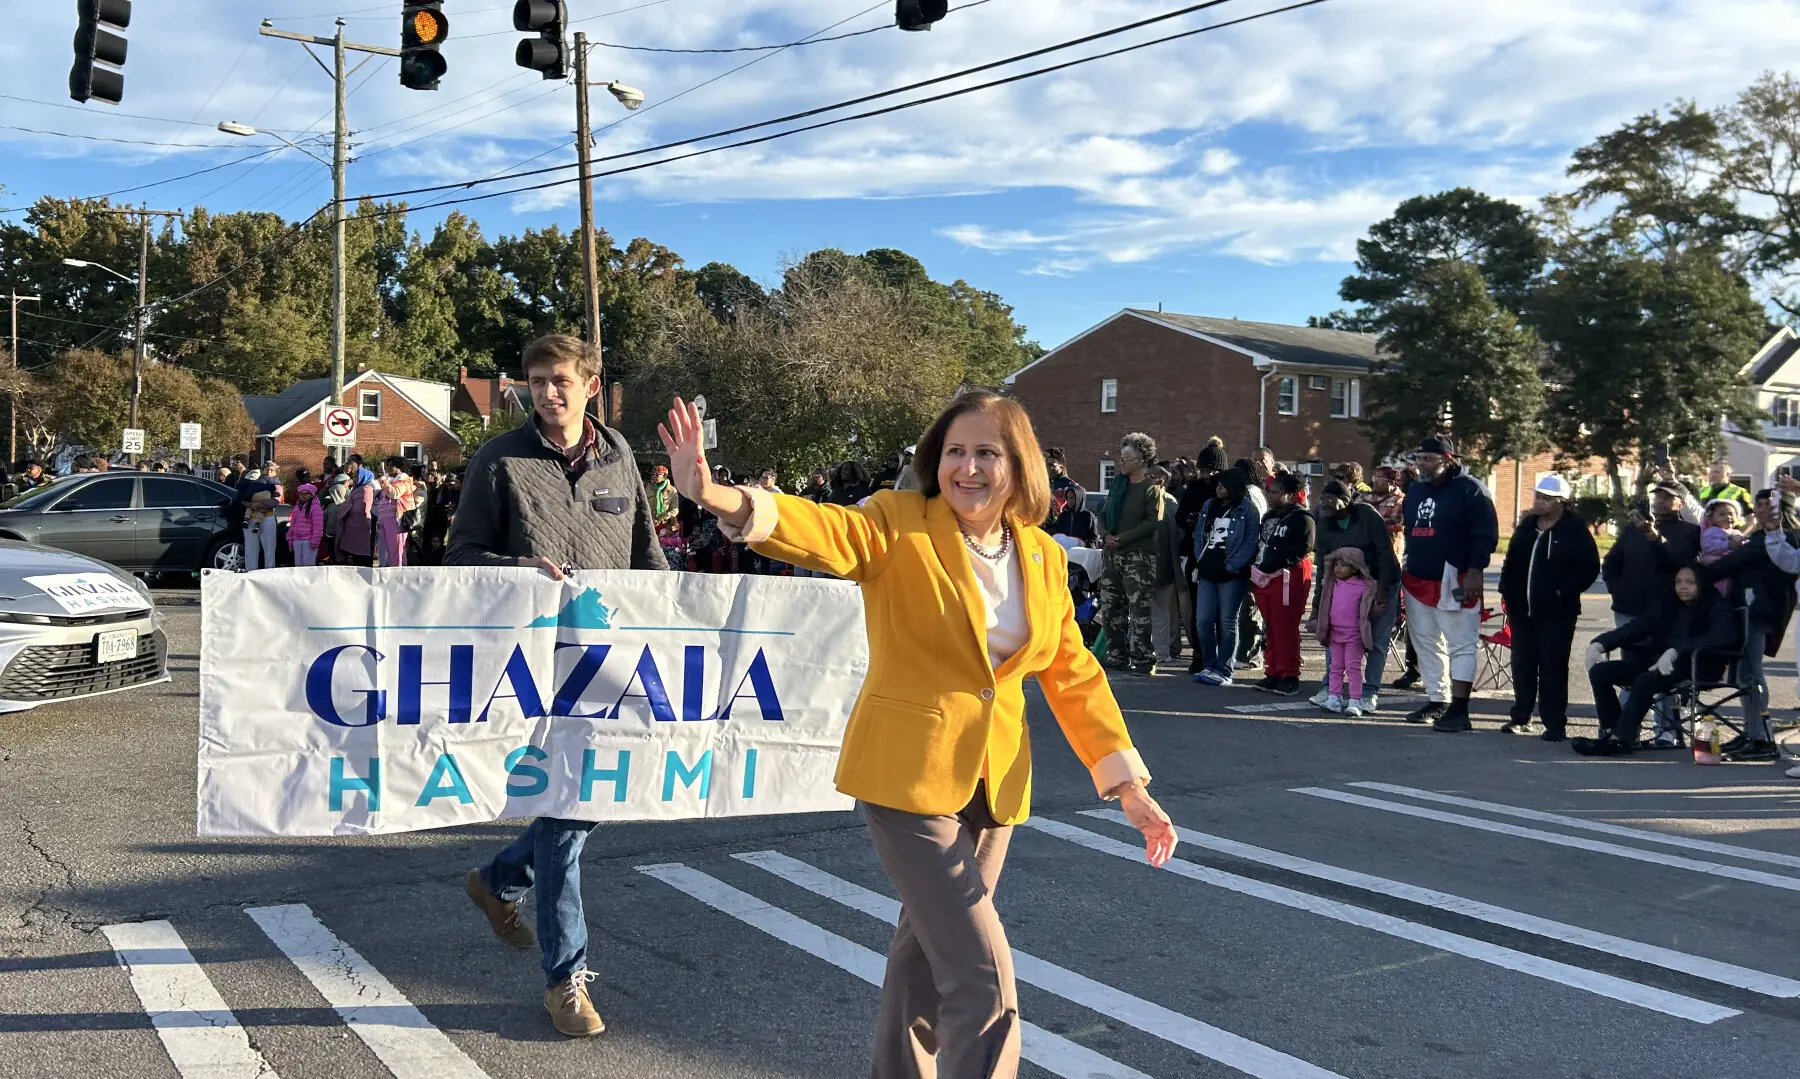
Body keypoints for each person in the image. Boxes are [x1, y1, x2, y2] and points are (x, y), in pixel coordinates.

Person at [658, 389, 1176, 1078]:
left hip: (993, 786)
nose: (968, 467)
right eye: (955, 451)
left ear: (1017, 465)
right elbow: (822, 530)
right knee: (981, 978)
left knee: (926, 967)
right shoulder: (897, 522)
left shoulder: (1042, 557)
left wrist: (1129, 783)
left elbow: (1072, 670)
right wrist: (719, 495)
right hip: (907, 775)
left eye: (986, 452)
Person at [450, 334, 668, 1039]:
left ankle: (499, 879)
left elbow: (647, 554)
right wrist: (519, 565)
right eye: (536, 380)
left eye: (561, 380)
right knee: (568, 816)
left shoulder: (620, 458)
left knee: (590, 796)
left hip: (608, 665)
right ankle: (564, 978)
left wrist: (673, 622)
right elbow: (459, 555)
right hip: (529, 669)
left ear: (592, 385)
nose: (547, 392)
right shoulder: (500, 458)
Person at [1577, 565, 1737, 756]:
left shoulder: (1717, 605)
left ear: (1701, 584)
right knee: (1600, 672)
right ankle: (1612, 732)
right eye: (1678, 582)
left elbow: (1721, 637)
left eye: (1689, 582)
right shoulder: (1668, 603)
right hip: (1658, 661)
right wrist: (1601, 643)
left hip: (1697, 665)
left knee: (1645, 680)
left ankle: (1621, 739)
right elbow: (1638, 626)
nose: (1682, 587)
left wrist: (1677, 650)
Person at [1400, 435, 1499, 731]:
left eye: (1428, 459)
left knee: (1461, 645)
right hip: (1418, 578)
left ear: (1448, 459)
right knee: (1425, 642)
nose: (1422, 464)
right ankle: (1438, 699)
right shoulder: (1416, 489)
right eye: (1419, 459)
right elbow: (1410, 527)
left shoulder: (1472, 491)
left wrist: (1475, 571)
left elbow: (1485, 534)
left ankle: (1460, 708)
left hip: (1454, 579)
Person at [1497, 475, 1600, 741]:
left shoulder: (1574, 529)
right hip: (1522, 609)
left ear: (1561, 502)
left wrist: (1561, 590)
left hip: (1557, 613)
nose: (1539, 502)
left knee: (1553, 666)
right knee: (1522, 663)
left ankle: (1554, 722)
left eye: (1545, 498)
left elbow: (1589, 568)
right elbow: (1512, 560)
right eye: (1537, 497)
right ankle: (1521, 716)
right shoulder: (1527, 526)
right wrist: (1507, 590)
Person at [1699, 489, 1798, 762]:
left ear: (1784, 508)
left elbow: (1737, 560)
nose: (1763, 509)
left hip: (1760, 613)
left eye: (1770, 505)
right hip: (1746, 611)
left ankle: (1762, 738)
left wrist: (1699, 572)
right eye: (1759, 504)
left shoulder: (1783, 537)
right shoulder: (1757, 536)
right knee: (1744, 674)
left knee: (1752, 674)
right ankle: (1751, 732)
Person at [1307, 479, 1400, 712]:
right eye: (1321, 500)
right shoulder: (1326, 525)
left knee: (1376, 640)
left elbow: (1385, 554)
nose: (1324, 505)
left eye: (1329, 500)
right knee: (1334, 637)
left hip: (1379, 581)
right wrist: (1318, 609)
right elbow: (1323, 571)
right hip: (1344, 588)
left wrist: (1383, 589)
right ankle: (1330, 689)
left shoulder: (1367, 517)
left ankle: (1369, 694)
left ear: (1346, 501)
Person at [1097, 432, 1165, 674]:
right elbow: (1103, 514)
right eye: (1121, 457)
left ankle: (1144, 658)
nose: (1121, 462)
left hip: (1138, 556)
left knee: (1139, 610)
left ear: (1141, 460)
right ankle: (1117, 655)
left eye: (1127, 458)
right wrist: (1105, 535)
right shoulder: (1118, 485)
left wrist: (1123, 538)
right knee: (1111, 606)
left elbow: (1152, 522)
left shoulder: (1151, 488)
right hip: (1111, 554)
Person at [1190, 468, 1259, 685]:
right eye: (1218, 485)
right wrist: (1200, 560)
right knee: (1203, 620)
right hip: (1207, 570)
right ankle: (1209, 664)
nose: (1219, 488)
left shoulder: (1247, 509)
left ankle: (1224, 670)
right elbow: (1199, 534)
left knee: (1228, 620)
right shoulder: (1209, 505)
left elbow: (1250, 541)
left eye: (1224, 485)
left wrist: (1232, 566)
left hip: (1232, 573)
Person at [1249, 472, 1314, 695]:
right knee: (1272, 627)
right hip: (1264, 577)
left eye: (1276, 492)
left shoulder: (1301, 517)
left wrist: (1279, 564)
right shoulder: (1268, 517)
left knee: (1285, 627)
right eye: (1270, 491)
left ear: (1289, 494)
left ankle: (1289, 675)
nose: (1271, 496)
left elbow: (1304, 547)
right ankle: (1273, 671)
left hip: (1288, 576)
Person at [1315, 547, 1376, 716]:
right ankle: (1334, 698)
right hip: (1335, 633)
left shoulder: (1364, 586)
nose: (1338, 568)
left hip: (1354, 635)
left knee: (1353, 668)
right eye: (1336, 564)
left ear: (1356, 567)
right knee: (1335, 667)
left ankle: (1355, 700)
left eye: (1343, 565)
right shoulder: (1332, 584)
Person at [1148, 466, 1186, 662]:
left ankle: (1160, 651)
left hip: (1155, 562)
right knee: (1166, 610)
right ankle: (1166, 649)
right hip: (1169, 563)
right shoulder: (1173, 504)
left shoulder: (1158, 503)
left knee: (1156, 610)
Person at [234, 468, 282, 571]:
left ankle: (269, 572)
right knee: (252, 549)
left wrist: (258, 504)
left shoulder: (268, 487)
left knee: (268, 549)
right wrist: (252, 504)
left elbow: (275, 501)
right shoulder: (244, 490)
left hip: (266, 517)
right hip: (250, 519)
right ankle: (252, 572)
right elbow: (239, 502)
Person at [1696, 499, 1745, 594]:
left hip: (1731, 568)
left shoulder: (1736, 533)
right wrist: (1728, 545)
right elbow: (1708, 545)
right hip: (1714, 567)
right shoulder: (1712, 531)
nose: (1728, 517)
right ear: (1711, 519)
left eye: (1731, 514)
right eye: (1722, 514)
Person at [336, 468, 378, 567]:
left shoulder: (366, 489)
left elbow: (362, 508)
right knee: (354, 557)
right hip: (353, 528)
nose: (353, 479)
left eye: (356, 476)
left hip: (362, 528)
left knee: (362, 558)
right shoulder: (356, 489)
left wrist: (346, 507)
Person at [1046, 483, 1098, 547]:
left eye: (1072, 498)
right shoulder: (1063, 516)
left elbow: (1093, 539)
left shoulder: (1088, 516)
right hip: (1065, 552)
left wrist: (1084, 545)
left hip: (1081, 553)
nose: (1069, 501)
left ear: (1079, 498)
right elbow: (1058, 534)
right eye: (1067, 498)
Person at [287, 483, 324, 566]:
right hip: (297, 540)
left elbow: (318, 526)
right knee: (298, 565)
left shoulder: (316, 508)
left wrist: (315, 540)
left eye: (306, 493)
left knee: (308, 565)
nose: (304, 496)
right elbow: (292, 524)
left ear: (312, 494)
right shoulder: (296, 508)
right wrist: (290, 538)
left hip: (309, 540)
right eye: (301, 494)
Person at [648, 463, 680, 537]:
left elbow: (674, 510)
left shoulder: (672, 491)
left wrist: (660, 520)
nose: (654, 476)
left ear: (664, 476)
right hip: (649, 522)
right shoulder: (647, 488)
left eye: (657, 475)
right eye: (653, 474)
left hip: (664, 525)